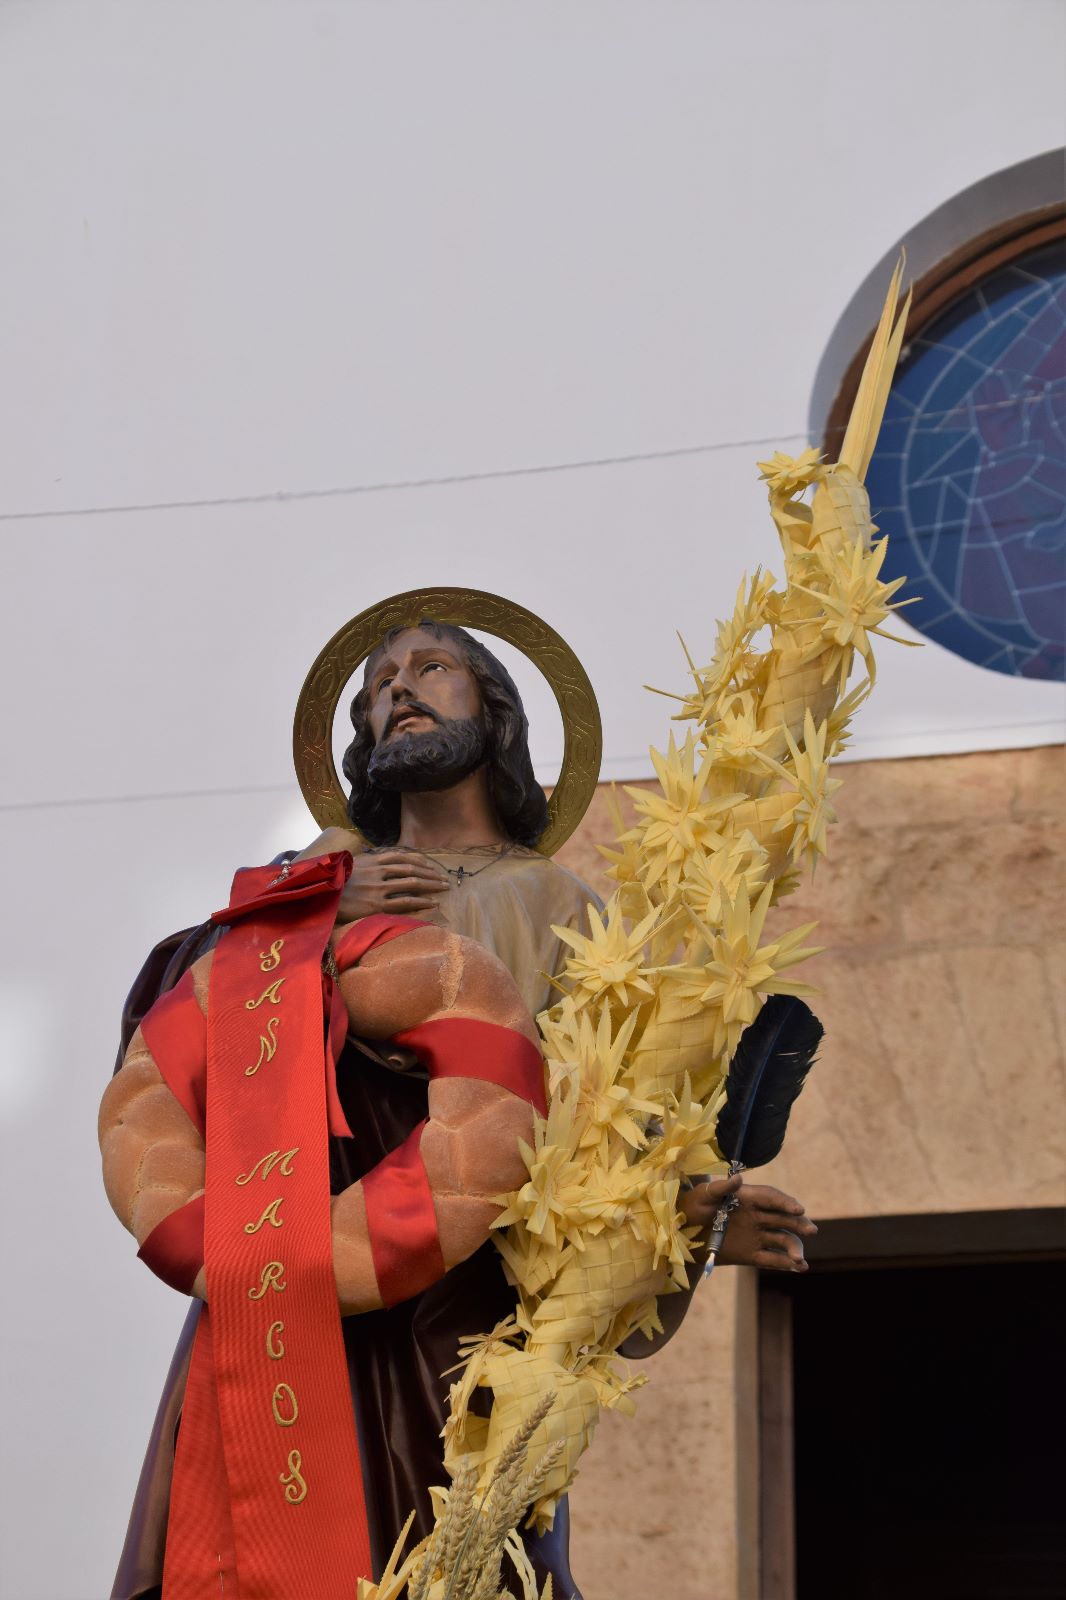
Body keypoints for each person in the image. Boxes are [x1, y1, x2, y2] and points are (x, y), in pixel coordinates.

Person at [108, 619, 816, 1600]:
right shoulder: (311, 875)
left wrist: (672, 1225)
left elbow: (603, 1119)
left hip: (467, 1304)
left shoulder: (565, 908)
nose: (397, 690)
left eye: (431, 668)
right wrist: (314, 903)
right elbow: (174, 1028)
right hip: (285, 1273)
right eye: (377, 685)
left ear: (495, 710)